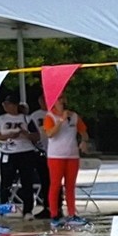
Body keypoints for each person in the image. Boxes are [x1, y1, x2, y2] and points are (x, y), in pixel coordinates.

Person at [0, 97, 40, 218]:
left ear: (14, 105)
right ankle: (3, 208)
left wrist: (26, 134)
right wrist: (7, 136)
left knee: (27, 181)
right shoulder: (1, 119)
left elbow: (36, 136)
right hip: (8, 152)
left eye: (8, 104)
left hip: (25, 152)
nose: (6, 107)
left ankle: (28, 210)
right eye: (4, 104)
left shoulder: (26, 118)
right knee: (6, 182)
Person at [40, 96, 90, 226]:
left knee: (70, 185)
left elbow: (83, 131)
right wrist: (61, 121)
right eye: (59, 99)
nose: (62, 101)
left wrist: (84, 141)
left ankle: (72, 214)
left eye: (63, 99)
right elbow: (50, 134)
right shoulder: (50, 116)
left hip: (72, 155)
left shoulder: (73, 116)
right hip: (56, 156)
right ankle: (54, 215)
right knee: (55, 185)